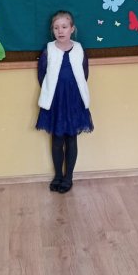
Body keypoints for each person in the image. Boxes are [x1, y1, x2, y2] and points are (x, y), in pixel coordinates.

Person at [36, 10, 94, 193]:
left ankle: (68, 177)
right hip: (56, 101)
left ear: (72, 29)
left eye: (64, 27)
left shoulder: (79, 49)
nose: (60, 31)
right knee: (57, 139)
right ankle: (58, 176)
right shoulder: (49, 50)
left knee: (71, 139)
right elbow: (42, 75)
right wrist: (53, 92)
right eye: (56, 27)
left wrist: (72, 91)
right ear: (52, 30)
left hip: (74, 100)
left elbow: (85, 73)